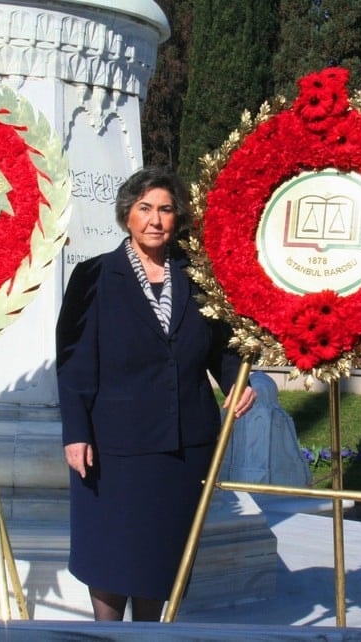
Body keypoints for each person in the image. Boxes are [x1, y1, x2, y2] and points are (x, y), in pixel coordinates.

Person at [56, 167, 256, 622]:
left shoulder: (199, 278)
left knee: (162, 555)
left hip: (185, 445)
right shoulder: (93, 277)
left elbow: (223, 347)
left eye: (165, 209)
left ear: (177, 217)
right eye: (145, 208)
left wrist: (238, 382)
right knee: (111, 553)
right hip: (114, 447)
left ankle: (151, 633)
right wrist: (76, 431)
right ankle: (107, 634)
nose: (155, 219)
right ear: (127, 214)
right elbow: (74, 363)